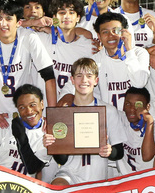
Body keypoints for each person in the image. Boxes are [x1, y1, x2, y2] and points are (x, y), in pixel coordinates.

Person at [0, 0, 57, 130]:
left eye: (9, 19)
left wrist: (52, 115)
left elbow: (49, 77)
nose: (3, 23)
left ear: (19, 23)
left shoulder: (29, 37)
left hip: (26, 113)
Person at [46, 58, 128, 186]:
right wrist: (53, 144)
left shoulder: (109, 111)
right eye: (79, 76)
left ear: (96, 81)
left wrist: (109, 151)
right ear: (72, 80)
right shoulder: (63, 113)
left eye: (89, 76)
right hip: (69, 174)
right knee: (58, 186)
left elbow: (119, 152)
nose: (84, 80)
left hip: (97, 178)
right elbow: (60, 159)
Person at [92, 11, 150, 108]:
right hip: (110, 119)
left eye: (116, 31)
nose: (111, 35)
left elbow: (140, 82)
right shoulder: (95, 60)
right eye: (105, 32)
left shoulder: (139, 53)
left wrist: (129, 50)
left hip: (134, 118)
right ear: (99, 37)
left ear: (125, 32)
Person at [42, 0, 94, 99]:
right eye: (62, 12)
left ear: (78, 18)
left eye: (71, 12)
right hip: (46, 107)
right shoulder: (42, 40)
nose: (66, 16)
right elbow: (17, 27)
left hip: (75, 106)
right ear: (54, 17)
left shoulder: (88, 46)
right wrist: (36, 22)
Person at [117, 86, 155, 176]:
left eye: (138, 105)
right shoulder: (119, 118)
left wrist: (149, 121)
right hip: (124, 182)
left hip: (147, 181)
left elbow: (147, 156)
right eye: (128, 104)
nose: (132, 109)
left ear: (147, 107)